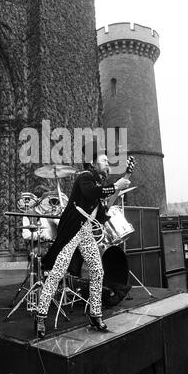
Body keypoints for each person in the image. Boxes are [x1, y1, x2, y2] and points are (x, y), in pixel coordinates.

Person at [35, 144, 131, 338]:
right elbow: (92, 193)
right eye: (103, 161)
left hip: (85, 231)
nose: (107, 164)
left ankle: (95, 314)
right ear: (92, 163)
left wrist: (126, 176)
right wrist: (115, 186)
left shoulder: (97, 183)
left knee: (97, 270)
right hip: (72, 230)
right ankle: (40, 316)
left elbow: (104, 205)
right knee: (57, 272)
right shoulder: (84, 177)